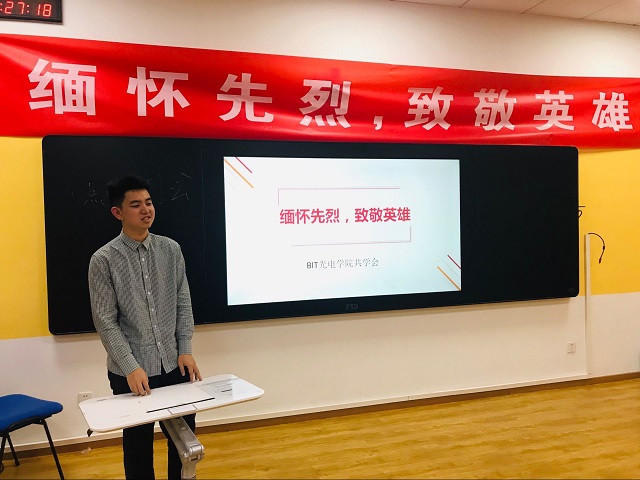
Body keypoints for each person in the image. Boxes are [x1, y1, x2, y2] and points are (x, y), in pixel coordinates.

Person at [88, 174, 202, 479]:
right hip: (131, 371)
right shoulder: (103, 260)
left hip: (174, 363)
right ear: (118, 212)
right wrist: (130, 366)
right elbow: (105, 321)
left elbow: (183, 304)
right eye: (136, 204)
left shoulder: (171, 250)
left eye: (149, 203)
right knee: (138, 447)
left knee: (184, 443)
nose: (146, 210)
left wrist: (186, 348)